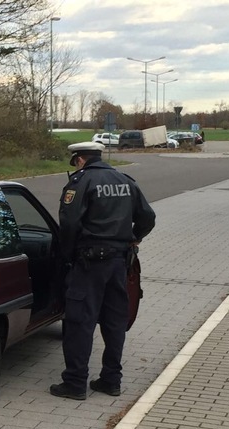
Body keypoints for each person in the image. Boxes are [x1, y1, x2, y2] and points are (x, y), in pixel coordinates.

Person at [50, 142, 156, 400]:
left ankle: (75, 383)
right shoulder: (125, 180)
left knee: (79, 321)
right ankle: (111, 380)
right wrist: (133, 238)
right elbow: (148, 218)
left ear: (80, 160)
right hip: (119, 263)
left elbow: (70, 223)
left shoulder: (81, 182)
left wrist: (67, 254)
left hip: (88, 264)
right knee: (114, 321)